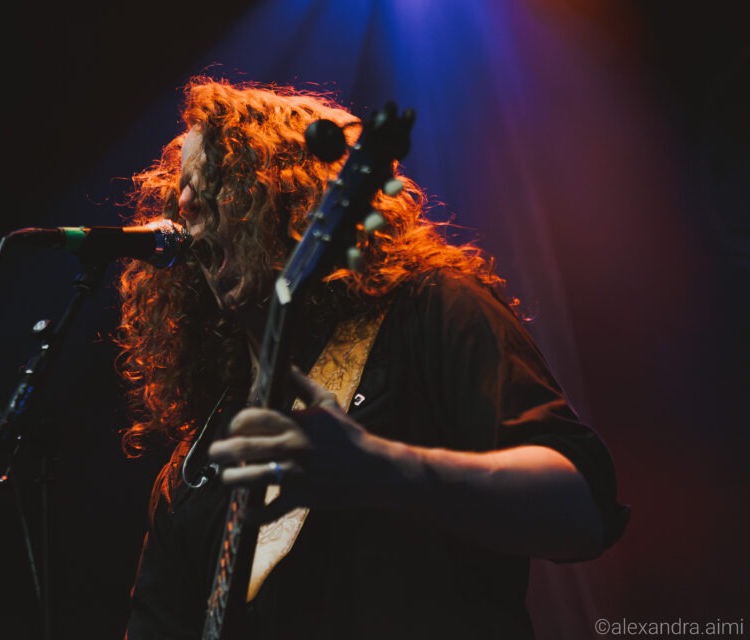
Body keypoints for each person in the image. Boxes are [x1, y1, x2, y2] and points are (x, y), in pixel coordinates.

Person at [116, 77, 628, 639]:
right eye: (182, 190)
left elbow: (580, 508)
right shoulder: (193, 471)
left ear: (285, 193)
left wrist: (382, 468)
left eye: (214, 179)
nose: (185, 205)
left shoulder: (428, 310)